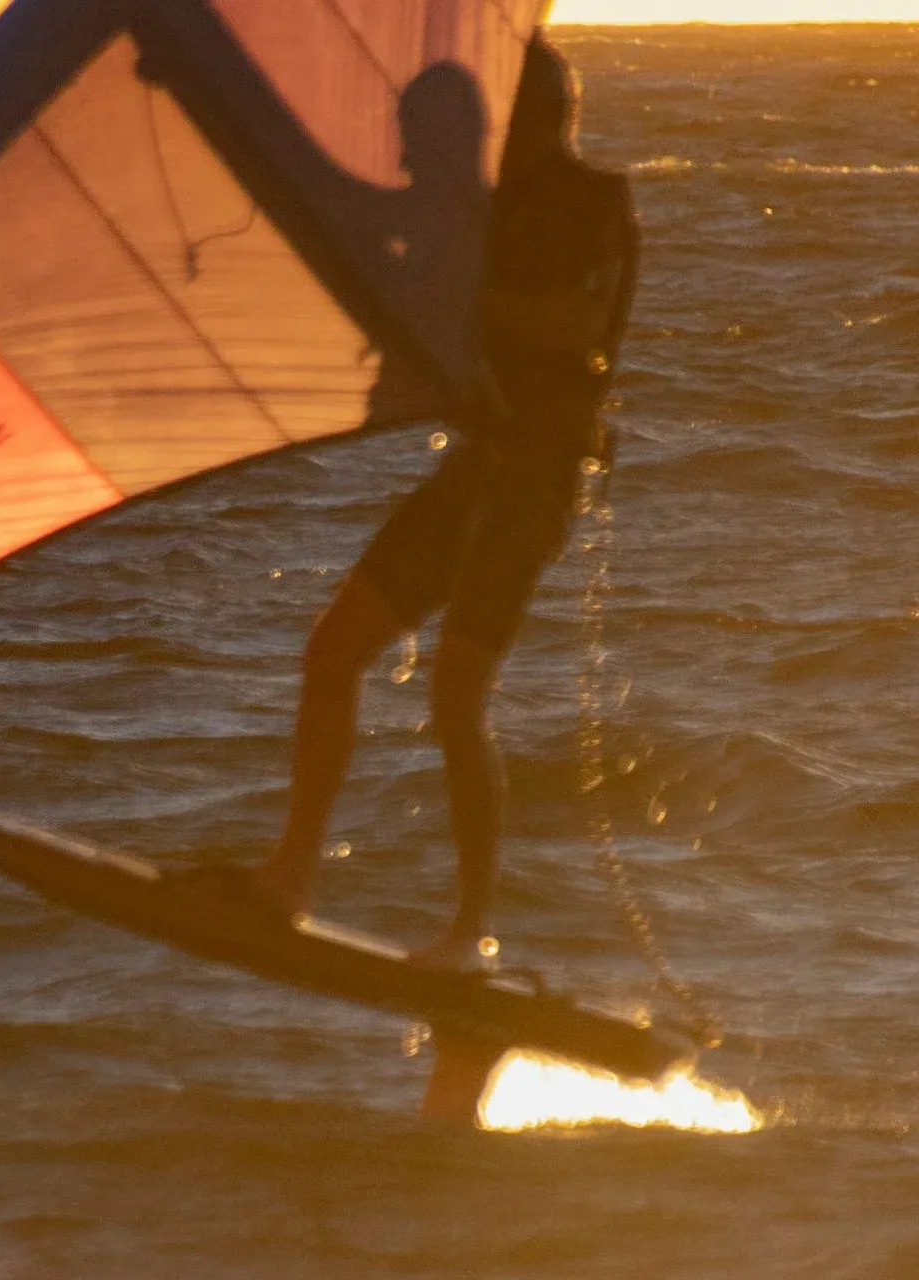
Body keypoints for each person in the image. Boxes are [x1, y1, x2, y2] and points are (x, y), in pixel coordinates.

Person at [248, 35, 641, 972]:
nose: (420, 159)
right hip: (475, 475)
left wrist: (446, 299)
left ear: (532, 121)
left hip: (534, 481)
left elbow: (569, 323)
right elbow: (369, 219)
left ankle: (469, 932)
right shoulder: (479, 212)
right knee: (333, 650)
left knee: (457, 687)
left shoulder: (592, 204)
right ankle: (290, 878)